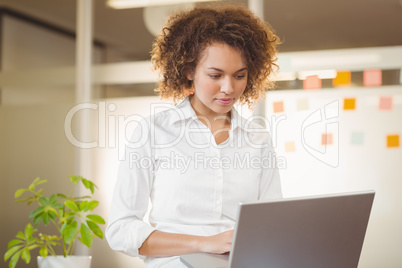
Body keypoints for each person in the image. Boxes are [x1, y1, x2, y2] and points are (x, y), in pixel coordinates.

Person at [106, 5, 282, 267]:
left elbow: (273, 224)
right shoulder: (153, 132)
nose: (228, 88)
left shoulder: (258, 139)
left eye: (239, 76)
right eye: (215, 75)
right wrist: (204, 243)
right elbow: (120, 230)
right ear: (189, 70)